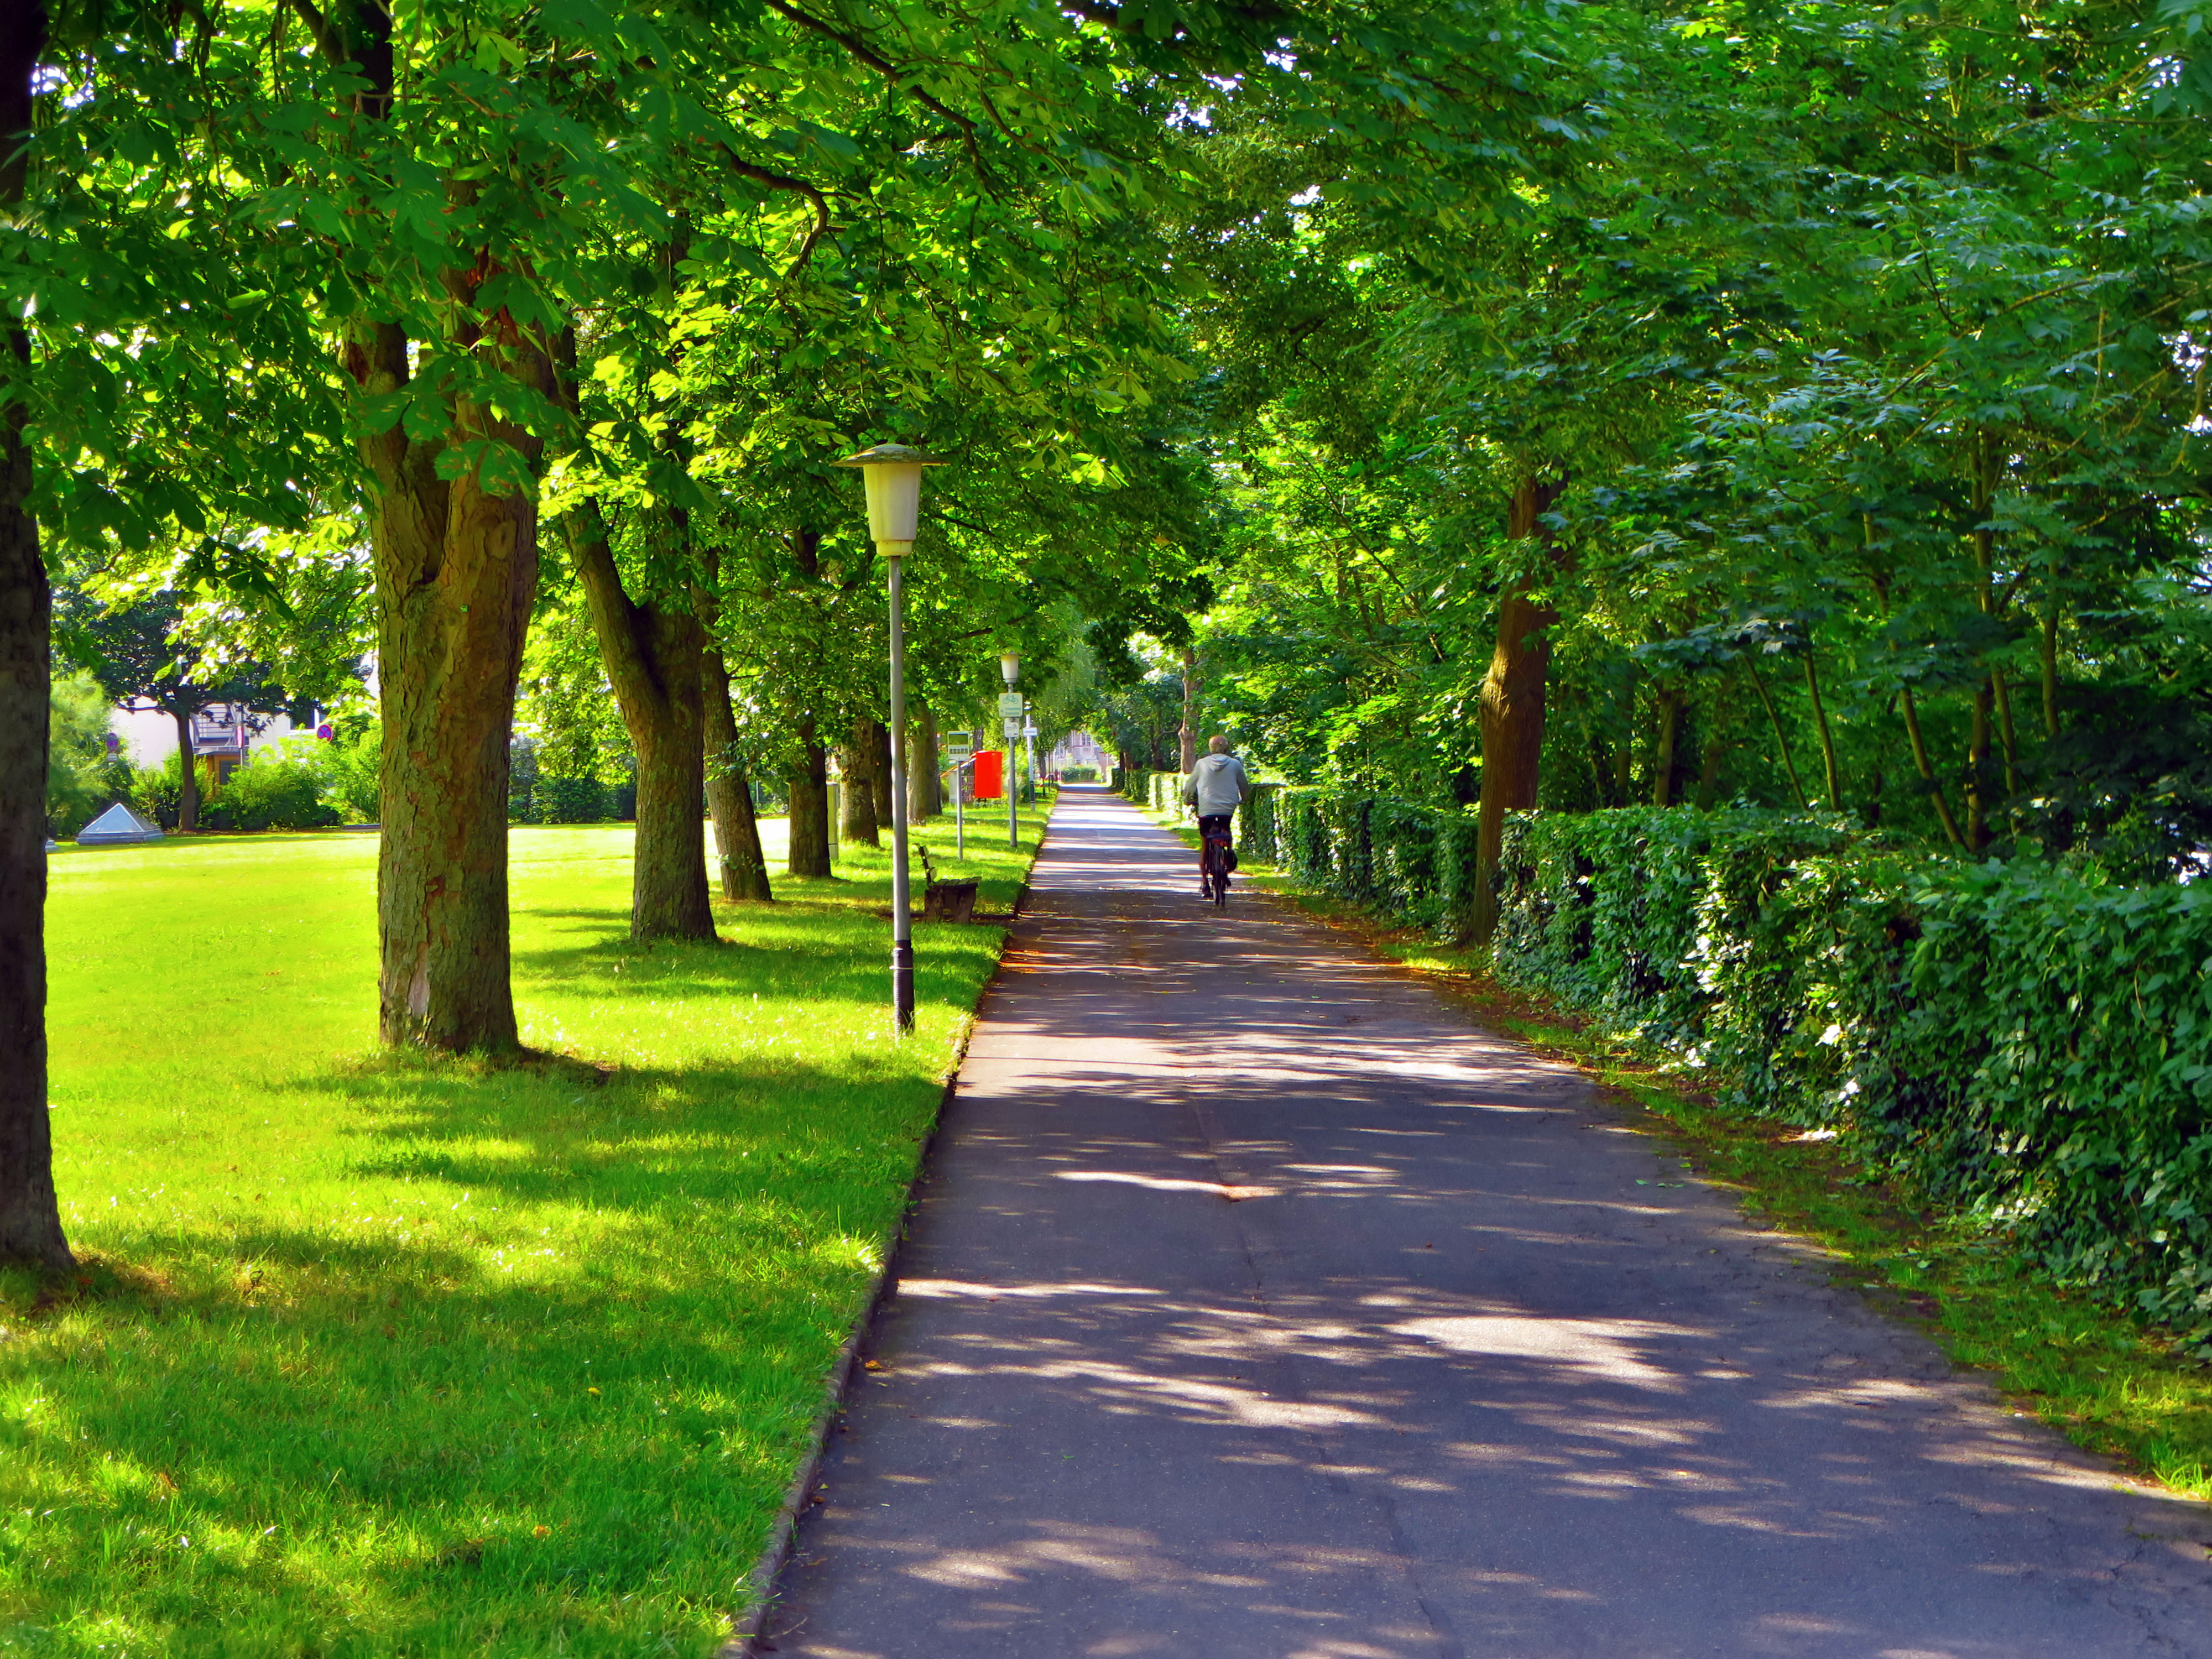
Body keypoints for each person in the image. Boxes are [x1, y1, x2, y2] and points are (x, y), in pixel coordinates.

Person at [1181, 734, 1251, 897]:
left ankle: (1205, 884)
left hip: (1206, 808)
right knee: (1226, 831)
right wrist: (1244, 799)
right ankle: (1228, 857)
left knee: (1206, 844)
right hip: (1228, 808)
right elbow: (1244, 786)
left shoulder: (1201, 764)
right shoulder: (1235, 764)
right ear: (1226, 747)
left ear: (1211, 748)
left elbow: (1190, 786)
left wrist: (1187, 800)